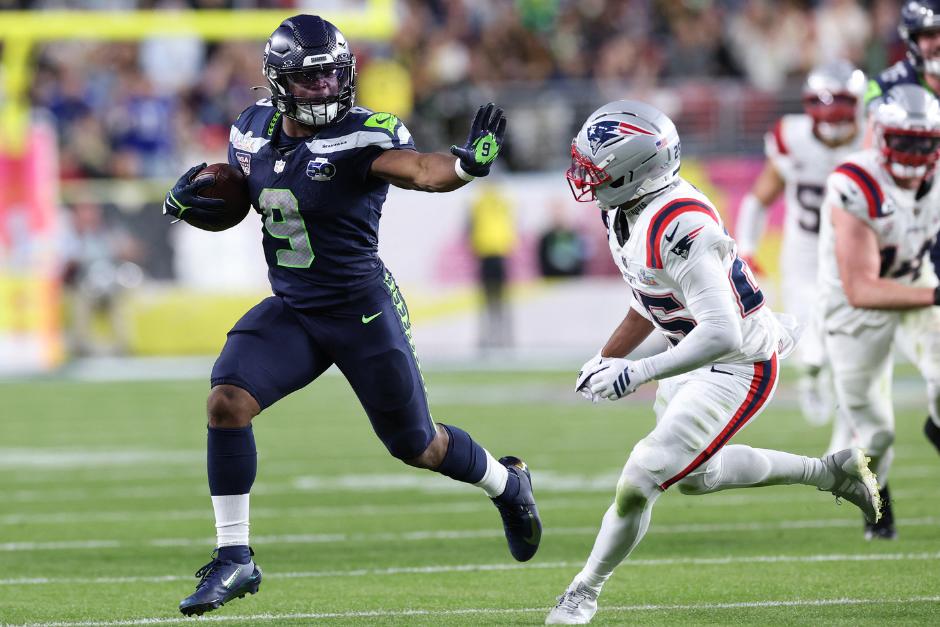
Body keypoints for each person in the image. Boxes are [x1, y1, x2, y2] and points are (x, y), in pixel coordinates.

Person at [162, 15, 541, 617]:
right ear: (278, 82)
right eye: (309, 78)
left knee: (417, 445)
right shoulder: (250, 130)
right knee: (227, 401)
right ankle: (234, 556)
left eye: (332, 76)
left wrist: (466, 166)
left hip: (359, 309)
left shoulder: (362, 135)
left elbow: (422, 170)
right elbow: (240, 192)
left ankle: (506, 482)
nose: (324, 88)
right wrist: (188, 201)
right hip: (294, 307)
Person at [544, 100, 881, 625]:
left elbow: (723, 332)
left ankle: (582, 592)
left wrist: (636, 373)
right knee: (697, 477)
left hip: (738, 362)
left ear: (633, 170)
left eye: (595, 167)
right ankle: (829, 472)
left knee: (641, 476)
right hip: (693, 354)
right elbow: (649, 300)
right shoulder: (623, 210)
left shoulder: (678, 223)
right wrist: (606, 358)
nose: (584, 176)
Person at [818, 84, 940, 542]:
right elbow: (862, 288)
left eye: (924, 142)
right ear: (881, 136)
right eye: (904, 140)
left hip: (915, 279)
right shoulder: (855, 183)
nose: (914, 153)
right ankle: (878, 501)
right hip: (854, 311)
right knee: (876, 434)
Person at [735, 60, 865, 427]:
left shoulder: (874, 137)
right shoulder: (793, 137)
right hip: (806, 252)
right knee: (809, 331)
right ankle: (812, 377)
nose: (832, 117)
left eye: (842, 105)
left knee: (851, 337)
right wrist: (746, 247)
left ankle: (846, 393)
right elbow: (759, 198)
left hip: (857, 250)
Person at [467, 181, 516, 350]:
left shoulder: (478, 202)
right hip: (498, 253)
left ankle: (490, 337)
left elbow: (470, 227)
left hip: (486, 254)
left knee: (488, 299)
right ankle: (502, 337)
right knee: (500, 299)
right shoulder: (503, 201)